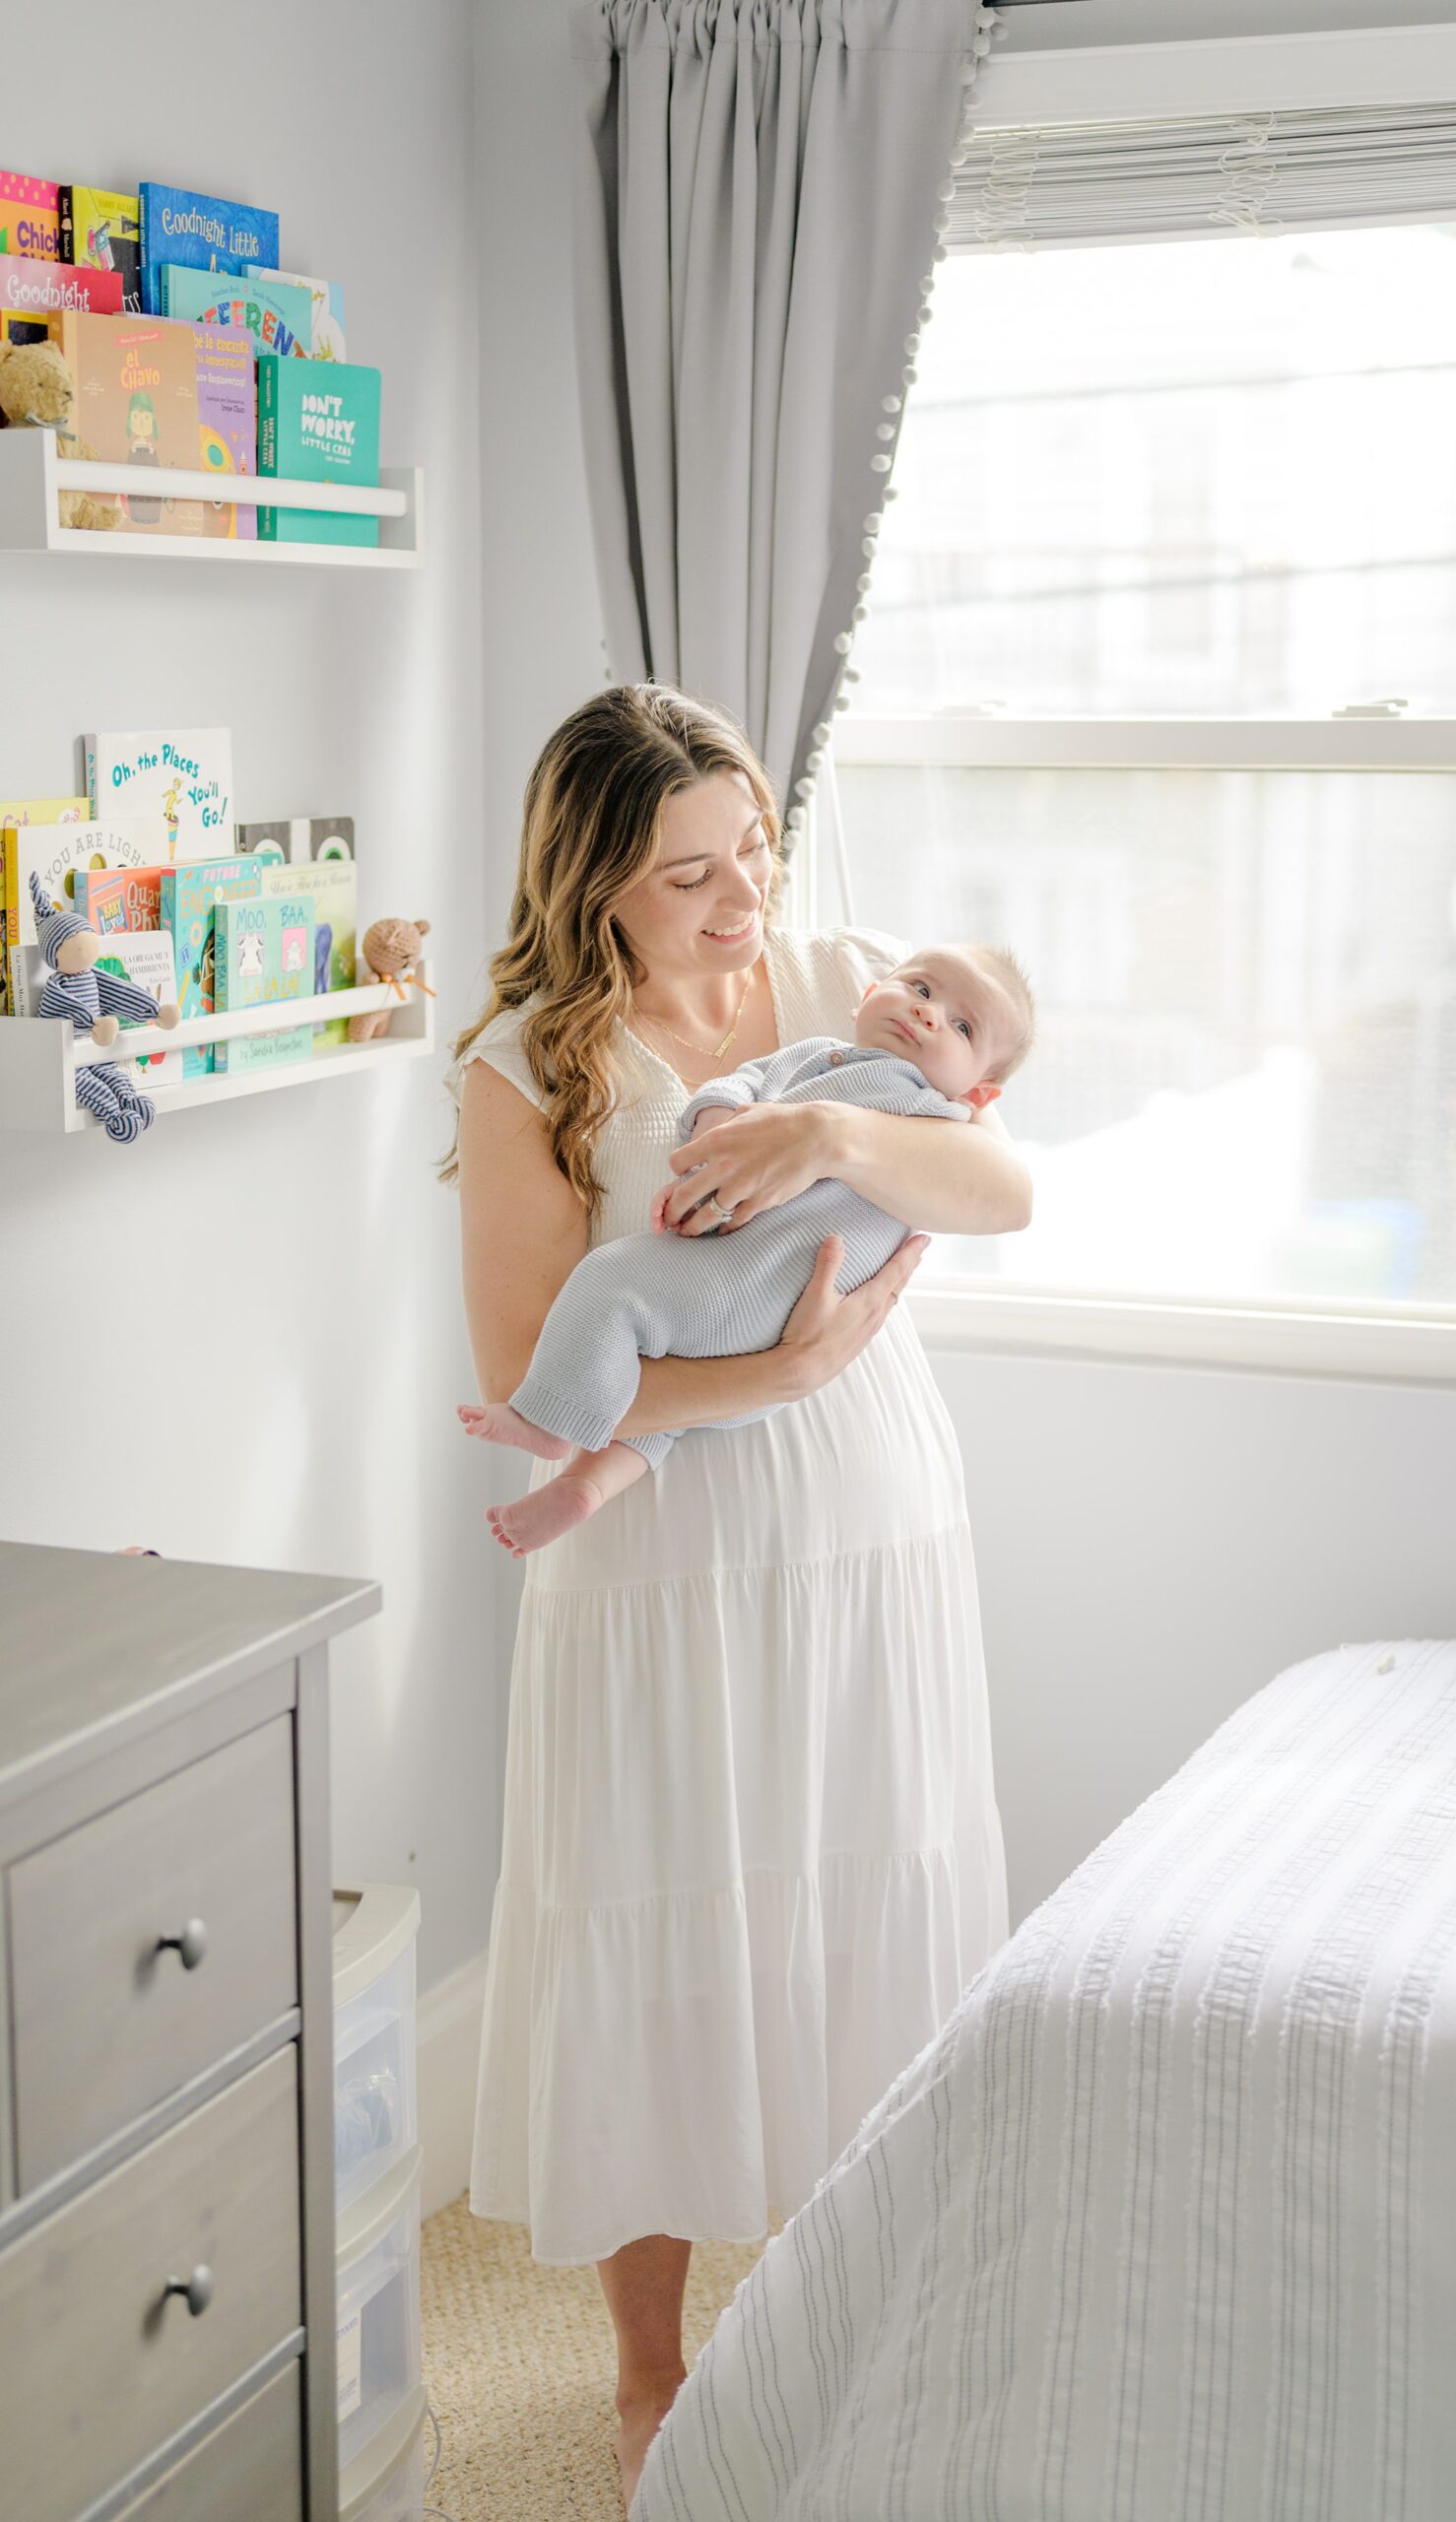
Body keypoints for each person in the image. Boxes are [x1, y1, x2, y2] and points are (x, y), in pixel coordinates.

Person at [443, 684, 1026, 2508]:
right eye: (688, 871)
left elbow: (997, 1185)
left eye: (753, 847)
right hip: (662, 1557)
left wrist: (834, 1143)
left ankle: (854, 2323)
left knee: (862, 1903)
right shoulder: (529, 1064)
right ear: (596, 878)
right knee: (663, 1930)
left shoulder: (852, 981)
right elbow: (539, 1372)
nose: (738, 896)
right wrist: (771, 1381)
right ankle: (644, 2369)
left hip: (866, 1525)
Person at [458, 938, 1034, 1554]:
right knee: (664, 1411)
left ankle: (549, 1420)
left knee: (614, 1282)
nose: (928, 1013)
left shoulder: (939, 1116)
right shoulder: (820, 1058)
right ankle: (587, 1487)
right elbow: (738, 1085)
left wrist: (828, 1134)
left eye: (962, 1026)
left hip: (766, 1296)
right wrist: (717, 1124)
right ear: (868, 996)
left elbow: (1005, 1194)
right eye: (920, 989)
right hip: (756, 1321)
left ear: (978, 1094)